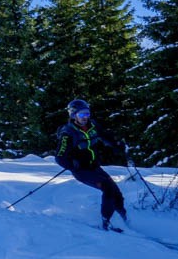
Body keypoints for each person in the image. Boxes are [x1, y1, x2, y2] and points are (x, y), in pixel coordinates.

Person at [54, 99, 129, 230]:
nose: (85, 117)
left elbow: (105, 136)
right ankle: (106, 223)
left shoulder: (93, 125)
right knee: (108, 188)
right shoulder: (68, 133)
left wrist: (117, 146)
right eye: (82, 114)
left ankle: (125, 219)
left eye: (87, 114)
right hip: (82, 171)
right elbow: (60, 157)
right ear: (73, 115)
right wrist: (73, 164)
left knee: (116, 192)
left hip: (94, 167)